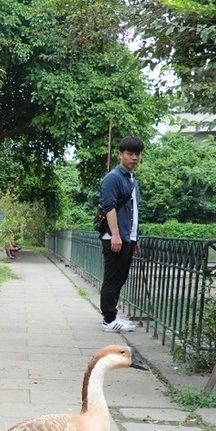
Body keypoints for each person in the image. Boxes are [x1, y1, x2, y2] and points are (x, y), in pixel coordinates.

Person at [98, 135, 144, 333]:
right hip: (115, 237)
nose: (134, 158)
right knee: (113, 277)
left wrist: (135, 238)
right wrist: (115, 234)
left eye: (137, 154)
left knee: (120, 277)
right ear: (120, 155)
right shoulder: (113, 178)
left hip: (127, 236)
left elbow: (133, 211)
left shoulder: (132, 180)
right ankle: (108, 320)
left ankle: (113, 316)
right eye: (130, 154)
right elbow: (110, 207)